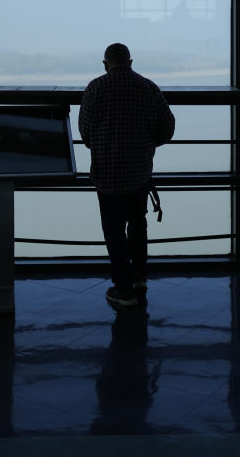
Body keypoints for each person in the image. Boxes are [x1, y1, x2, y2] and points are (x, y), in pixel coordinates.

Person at [78, 43, 175, 308]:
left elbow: (85, 132)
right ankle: (140, 278)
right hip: (139, 172)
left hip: (107, 174)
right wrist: (146, 142)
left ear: (105, 63)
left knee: (113, 230)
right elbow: (168, 129)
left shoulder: (95, 88)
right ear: (130, 62)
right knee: (137, 224)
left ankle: (122, 287)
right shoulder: (148, 87)